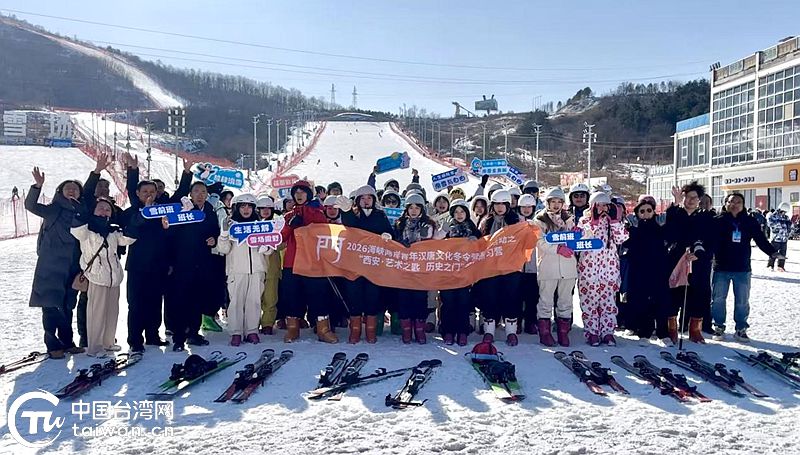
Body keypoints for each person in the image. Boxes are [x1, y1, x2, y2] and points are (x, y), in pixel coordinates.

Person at [25, 162, 103, 358]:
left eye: (75, 188)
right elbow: (31, 205)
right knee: (50, 305)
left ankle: (68, 342)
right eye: (67, 187)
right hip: (50, 266)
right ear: (60, 192)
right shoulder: (53, 209)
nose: (72, 190)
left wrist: (96, 172)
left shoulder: (82, 210)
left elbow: (89, 191)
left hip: (73, 265)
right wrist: (37, 186)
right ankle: (53, 346)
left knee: (68, 304)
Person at [71, 197, 140, 357]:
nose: (104, 211)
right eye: (101, 208)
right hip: (96, 275)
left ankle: (108, 343)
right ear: (94, 211)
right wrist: (80, 214)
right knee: (96, 313)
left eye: (108, 209)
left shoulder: (113, 230)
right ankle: (95, 347)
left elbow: (127, 239)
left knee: (112, 312)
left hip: (113, 277)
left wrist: (136, 222)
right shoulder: (87, 230)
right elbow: (77, 230)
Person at [711, 193, 778, 342]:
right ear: (725, 203)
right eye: (731, 201)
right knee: (718, 300)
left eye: (738, 202)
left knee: (742, 301)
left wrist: (772, 252)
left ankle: (741, 328)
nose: (734, 204)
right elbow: (710, 242)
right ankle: (719, 326)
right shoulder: (717, 220)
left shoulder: (749, 221)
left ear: (743, 205)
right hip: (721, 267)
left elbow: (760, 239)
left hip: (742, 268)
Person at [163, 181, 221, 351]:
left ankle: (194, 334)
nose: (200, 195)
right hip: (182, 263)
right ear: (190, 194)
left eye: (203, 192)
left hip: (202, 263)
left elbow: (215, 231)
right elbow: (170, 236)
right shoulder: (183, 210)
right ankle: (179, 338)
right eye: (196, 191)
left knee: (197, 300)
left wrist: (214, 239)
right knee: (181, 301)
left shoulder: (210, 212)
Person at [280, 180, 338, 343]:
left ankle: (323, 329)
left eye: (302, 192)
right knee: (291, 295)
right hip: (292, 261)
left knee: (318, 295)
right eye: (296, 193)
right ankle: (293, 328)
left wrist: (307, 223)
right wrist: (289, 226)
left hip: (313, 262)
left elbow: (324, 233)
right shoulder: (288, 215)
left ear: (309, 194)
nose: (299, 195)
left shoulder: (318, 212)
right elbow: (281, 238)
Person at [339, 185, 394, 343]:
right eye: (362, 198)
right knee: (354, 296)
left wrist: (387, 235)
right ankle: (355, 330)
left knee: (372, 296)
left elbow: (391, 233)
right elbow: (349, 224)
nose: (366, 201)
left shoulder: (380, 215)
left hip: (373, 264)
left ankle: (371, 331)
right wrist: (346, 211)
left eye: (369, 198)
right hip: (355, 264)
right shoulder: (353, 214)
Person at [217, 194, 273, 346]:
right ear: (236, 208)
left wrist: (264, 246)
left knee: (254, 301)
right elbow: (223, 249)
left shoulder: (261, 226)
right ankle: (236, 332)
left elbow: (270, 249)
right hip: (237, 270)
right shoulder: (231, 225)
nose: (246, 209)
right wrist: (224, 233)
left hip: (257, 270)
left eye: (249, 206)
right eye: (242, 206)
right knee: (236, 302)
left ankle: (252, 331)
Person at [664, 181, 716, 343]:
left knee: (698, 295)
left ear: (700, 200)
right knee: (674, 294)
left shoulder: (706, 217)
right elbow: (668, 231)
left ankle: (695, 330)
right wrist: (676, 203)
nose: (691, 200)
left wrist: (701, 254)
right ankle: (672, 329)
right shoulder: (676, 213)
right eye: (688, 197)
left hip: (698, 263)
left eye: (694, 197)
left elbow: (712, 241)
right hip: (676, 260)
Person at [577, 191, 629, 346]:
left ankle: (607, 332)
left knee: (608, 303)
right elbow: (580, 239)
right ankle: (592, 332)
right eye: (598, 205)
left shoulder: (612, 221)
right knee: (589, 302)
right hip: (589, 269)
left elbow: (622, 238)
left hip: (609, 269)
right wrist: (593, 222)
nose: (602, 208)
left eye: (605, 205)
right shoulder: (584, 220)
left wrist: (614, 221)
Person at [531, 187, 576, 346]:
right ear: (547, 203)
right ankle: (545, 333)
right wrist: (557, 249)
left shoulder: (569, 219)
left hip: (568, 266)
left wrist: (580, 235)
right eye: (553, 201)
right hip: (548, 266)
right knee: (545, 300)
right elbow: (539, 241)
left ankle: (563, 332)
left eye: (559, 202)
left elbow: (578, 239)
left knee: (565, 301)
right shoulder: (540, 220)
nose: (556, 205)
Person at [623, 198, 671, 345]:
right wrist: (633, 229)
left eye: (649, 210)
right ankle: (644, 332)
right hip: (639, 271)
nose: (645, 213)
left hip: (658, 270)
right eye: (642, 211)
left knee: (661, 301)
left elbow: (669, 237)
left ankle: (663, 333)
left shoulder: (660, 225)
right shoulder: (633, 227)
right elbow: (627, 244)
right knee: (642, 302)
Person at [478, 190, 522, 345]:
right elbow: (479, 242)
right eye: (497, 204)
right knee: (490, 298)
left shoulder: (516, 221)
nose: (500, 207)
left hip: (510, 267)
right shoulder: (486, 221)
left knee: (510, 298)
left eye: (503, 204)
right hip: (490, 267)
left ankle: (511, 332)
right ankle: (489, 331)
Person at [393, 193, 436, 344]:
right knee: (404, 298)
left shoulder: (428, 224)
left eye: (417, 208)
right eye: (411, 208)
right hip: (404, 268)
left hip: (421, 268)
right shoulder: (399, 224)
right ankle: (406, 330)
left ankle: (419, 329)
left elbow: (435, 242)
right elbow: (393, 241)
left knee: (420, 298)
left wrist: (425, 238)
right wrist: (399, 243)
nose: (413, 211)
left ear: (422, 209)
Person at [256, 195, 282, 335]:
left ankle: (267, 323)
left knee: (270, 298)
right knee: (254, 298)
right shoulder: (252, 225)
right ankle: (253, 323)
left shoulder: (278, 224)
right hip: (255, 267)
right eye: (262, 208)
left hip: (272, 267)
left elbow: (283, 243)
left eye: (268, 208)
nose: (265, 211)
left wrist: (272, 243)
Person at [767, 202, 791, 272]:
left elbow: (789, 225)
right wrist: (777, 226)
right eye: (783, 211)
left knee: (783, 253)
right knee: (773, 252)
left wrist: (789, 230)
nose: (784, 213)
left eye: (785, 212)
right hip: (776, 238)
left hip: (784, 239)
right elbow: (770, 223)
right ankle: (770, 265)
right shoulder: (773, 216)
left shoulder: (786, 217)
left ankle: (780, 266)